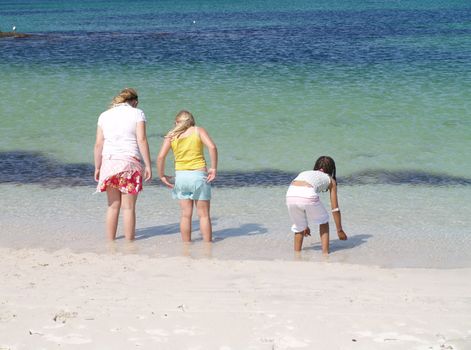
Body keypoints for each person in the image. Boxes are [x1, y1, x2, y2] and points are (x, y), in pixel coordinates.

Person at [94, 88, 152, 240]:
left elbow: (99, 144)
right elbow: (142, 140)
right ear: (135, 101)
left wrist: (97, 167)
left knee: (113, 206)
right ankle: (129, 242)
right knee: (128, 208)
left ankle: (110, 241)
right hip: (129, 163)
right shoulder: (138, 113)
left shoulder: (104, 115)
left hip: (109, 163)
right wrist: (148, 165)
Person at [157, 110, 217, 242]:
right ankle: (207, 245)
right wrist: (213, 168)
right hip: (198, 176)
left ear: (176, 122)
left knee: (185, 215)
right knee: (204, 215)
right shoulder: (198, 130)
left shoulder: (171, 135)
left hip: (181, 177)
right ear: (191, 121)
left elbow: (161, 156)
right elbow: (212, 147)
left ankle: (186, 245)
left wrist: (161, 175)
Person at [286, 156, 347, 254]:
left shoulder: (305, 173)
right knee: (324, 221)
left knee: (299, 227)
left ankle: (296, 255)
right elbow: (335, 208)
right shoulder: (330, 180)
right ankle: (325, 253)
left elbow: (301, 199)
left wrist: (304, 225)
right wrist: (339, 230)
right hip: (307, 194)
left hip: (290, 194)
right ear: (332, 170)